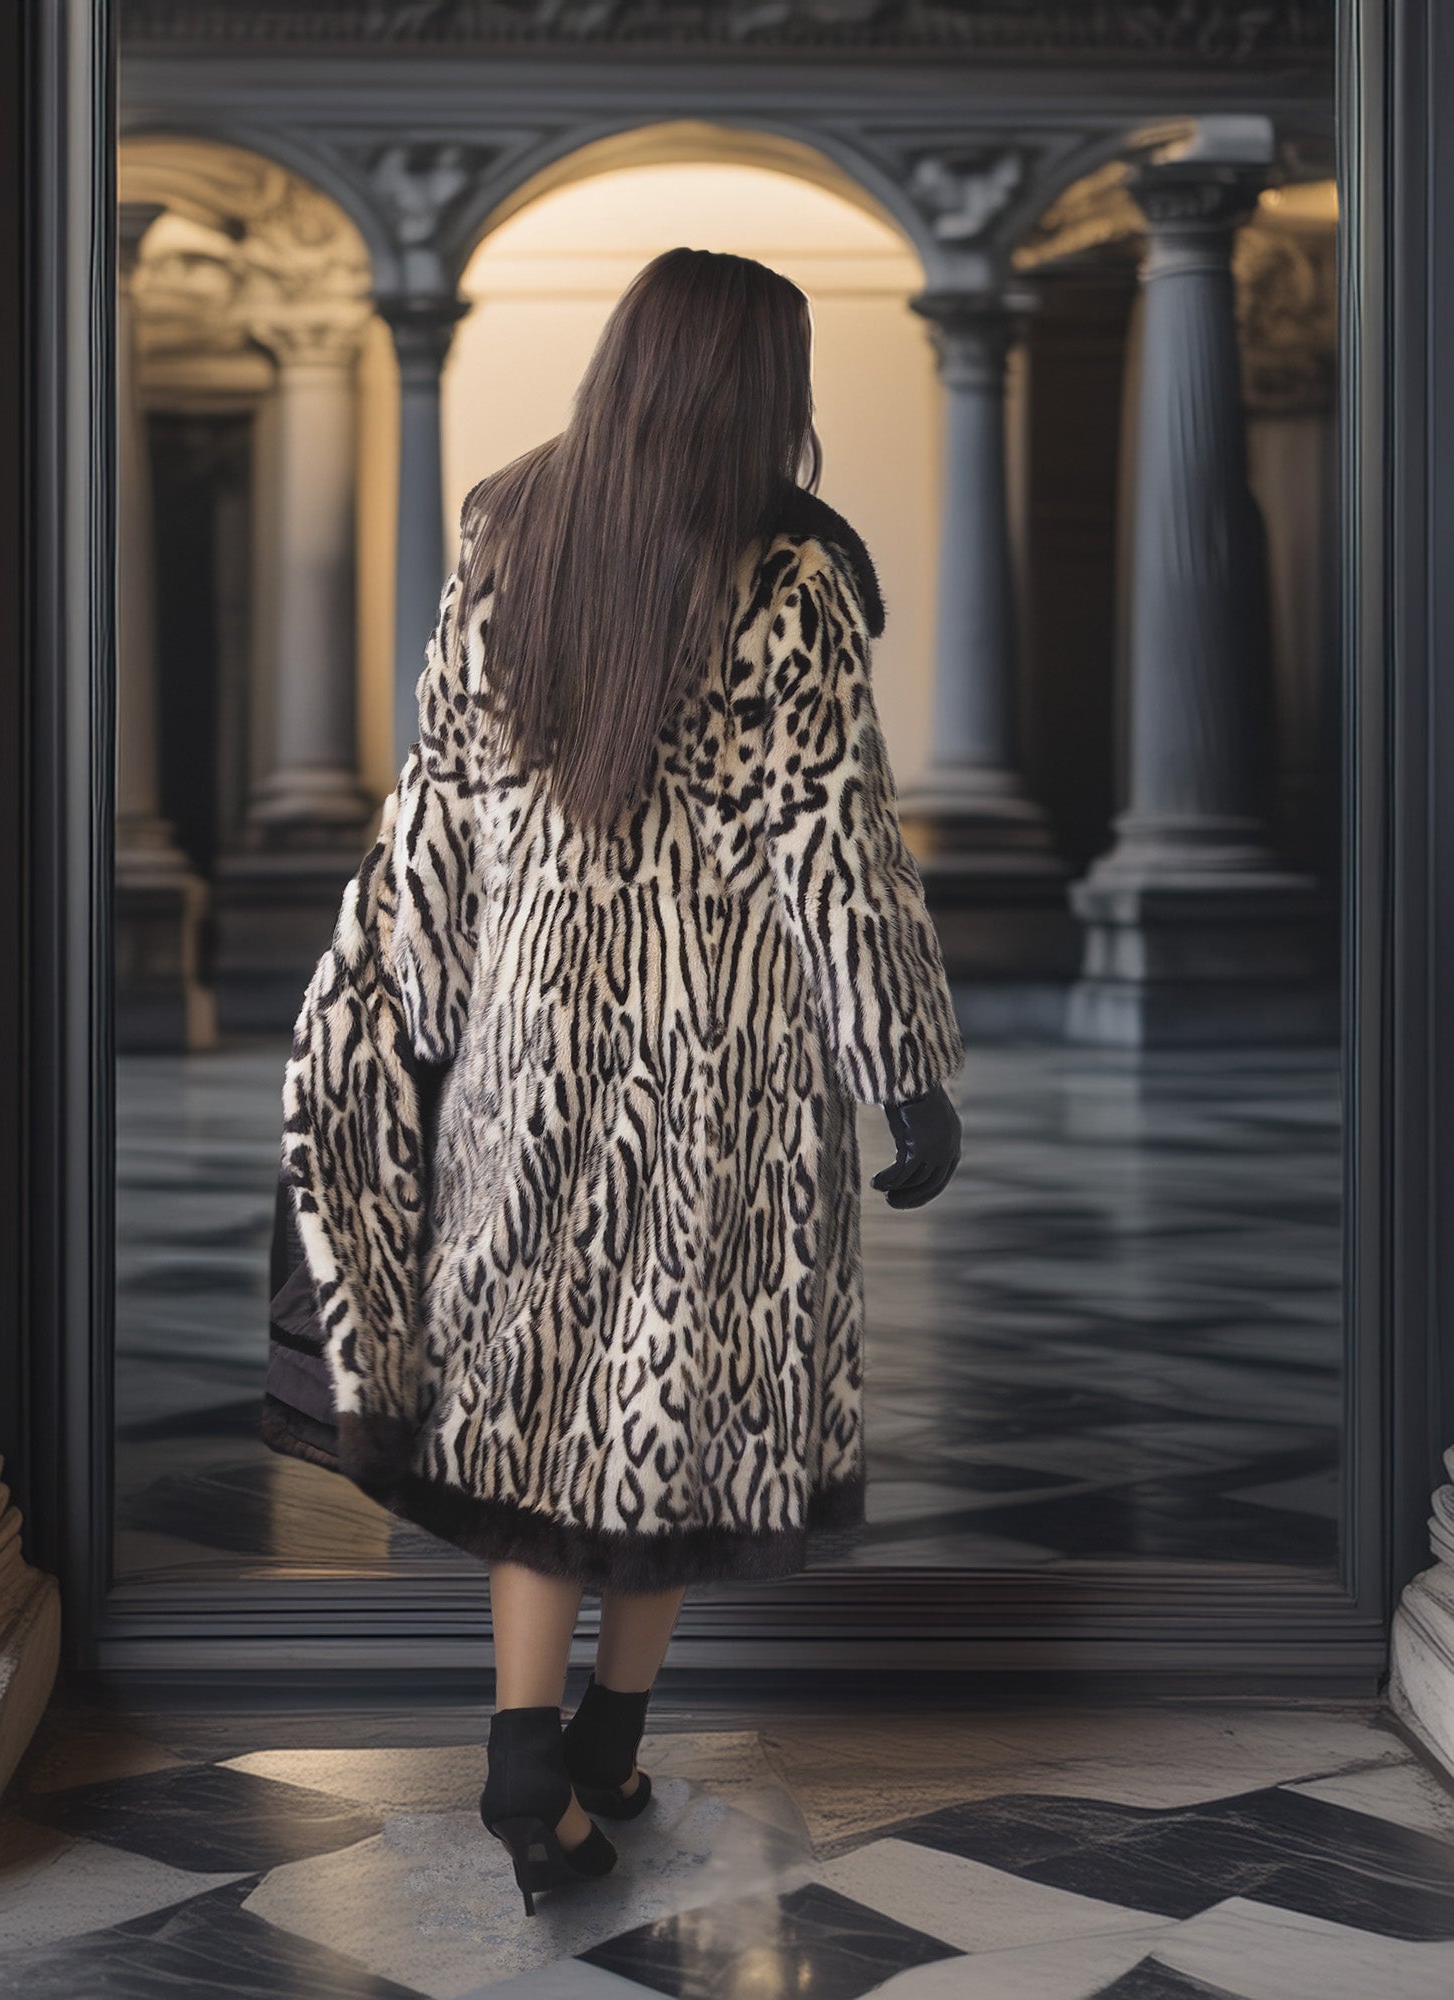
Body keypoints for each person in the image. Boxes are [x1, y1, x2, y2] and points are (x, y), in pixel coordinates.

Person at [276, 245, 964, 1916]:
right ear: (758, 389)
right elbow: (834, 847)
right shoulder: (789, 578)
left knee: (542, 1404)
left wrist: (409, 1011)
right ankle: (595, 1743)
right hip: (720, 1075)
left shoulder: (506, 540)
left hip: (528, 1054)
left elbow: (434, 801)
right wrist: (908, 1069)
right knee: (677, 1408)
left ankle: (556, 1756)